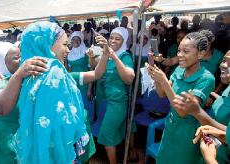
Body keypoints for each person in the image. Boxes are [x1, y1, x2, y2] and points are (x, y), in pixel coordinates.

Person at [0, 21, 109, 163]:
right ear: (46, 45)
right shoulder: (46, 77)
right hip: (15, 151)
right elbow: (0, 109)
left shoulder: (60, 76)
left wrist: (104, 53)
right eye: (64, 45)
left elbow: (96, 74)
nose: (67, 50)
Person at [146, 32, 215, 163]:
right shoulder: (179, 70)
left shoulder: (206, 78)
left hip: (187, 136)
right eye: (179, 50)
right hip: (170, 130)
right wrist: (156, 75)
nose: (179, 55)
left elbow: (183, 111)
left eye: (185, 51)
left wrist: (164, 81)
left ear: (200, 54)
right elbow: (161, 94)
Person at [89, 27, 136, 164]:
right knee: (124, 127)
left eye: (118, 39)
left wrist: (115, 58)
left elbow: (129, 79)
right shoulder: (106, 53)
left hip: (119, 100)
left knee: (107, 134)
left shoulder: (125, 57)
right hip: (107, 97)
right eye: (112, 38)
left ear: (124, 41)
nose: (113, 41)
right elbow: (93, 64)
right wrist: (92, 56)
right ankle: (130, 154)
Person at [173, 50, 230, 163]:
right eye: (224, 60)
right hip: (212, 148)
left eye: (229, 63)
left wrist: (197, 112)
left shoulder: (207, 78)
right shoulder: (228, 89)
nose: (222, 65)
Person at [67, 31, 93, 100]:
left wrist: (89, 89)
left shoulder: (86, 52)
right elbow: (69, 71)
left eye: (78, 39)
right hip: (74, 84)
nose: (75, 41)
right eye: (73, 39)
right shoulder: (69, 54)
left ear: (81, 40)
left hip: (85, 83)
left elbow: (91, 71)